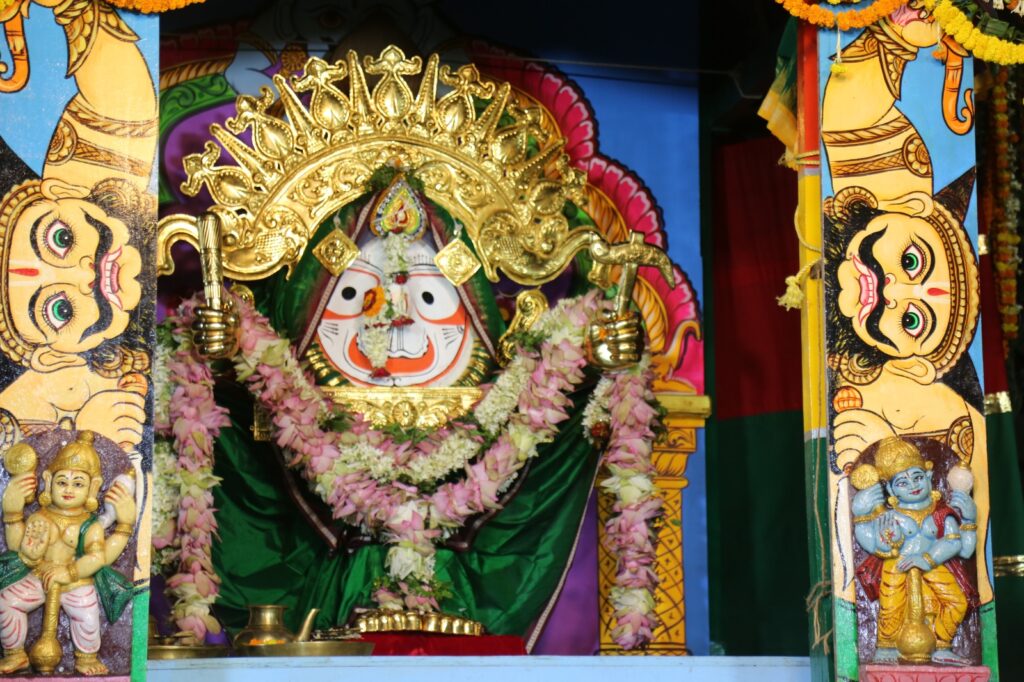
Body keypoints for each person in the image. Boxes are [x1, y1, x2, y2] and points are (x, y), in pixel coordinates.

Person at [0, 432, 135, 675]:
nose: (69, 489)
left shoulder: (90, 526)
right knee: (7, 602)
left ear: (93, 488)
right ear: (48, 480)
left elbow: (98, 558)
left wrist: (69, 572)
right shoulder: (40, 516)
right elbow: (17, 547)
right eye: (62, 482)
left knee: (87, 615)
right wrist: (13, 511)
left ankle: (86, 657)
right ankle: (15, 653)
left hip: (75, 582)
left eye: (78, 484)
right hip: (39, 577)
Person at [851, 437, 978, 665]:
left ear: (929, 476)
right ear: (890, 488)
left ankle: (942, 643)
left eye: (918, 477)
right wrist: (863, 517)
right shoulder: (890, 516)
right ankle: (886, 646)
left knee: (957, 602)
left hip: (932, 564)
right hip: (897, 566)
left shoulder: (941, 513)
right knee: (891, 607)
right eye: (902, 482)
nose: (913, 485)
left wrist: (928, 558)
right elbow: (875, 544)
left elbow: (956, 544)